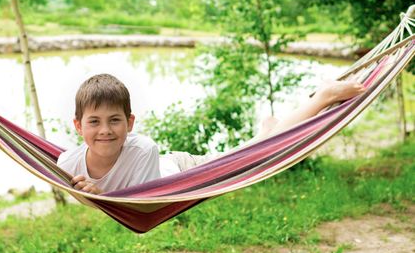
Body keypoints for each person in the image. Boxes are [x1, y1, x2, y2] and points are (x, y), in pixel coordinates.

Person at [58, 74, 365, 194]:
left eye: (114, 120)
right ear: (78, 126)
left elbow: (142, 200)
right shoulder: (66, 164)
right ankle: (265, 132)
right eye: (94, 122)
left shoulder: (143, 149)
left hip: (181, 171)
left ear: (130, 123)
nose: (105, 130)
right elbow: (85, 193)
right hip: (168, 178)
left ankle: (323, 96)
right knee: (257, 148)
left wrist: (101, 195)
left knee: (260, 155)